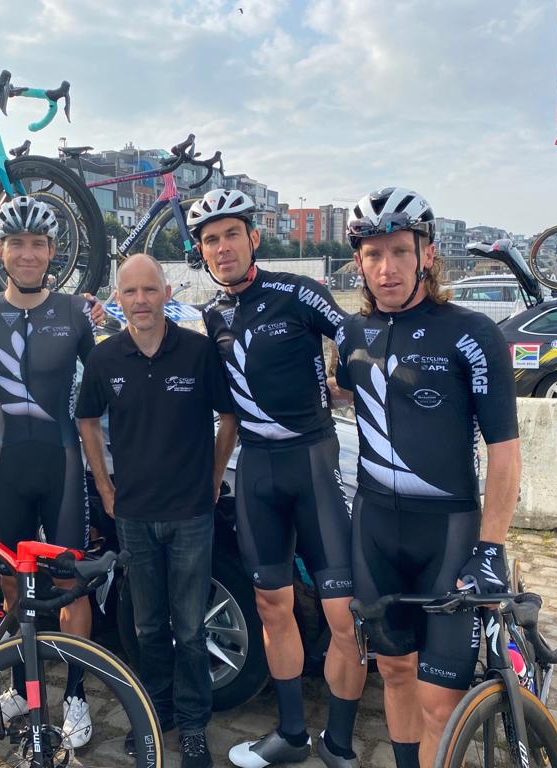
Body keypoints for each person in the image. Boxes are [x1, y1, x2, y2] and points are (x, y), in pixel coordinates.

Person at [333, 187, 522, 768]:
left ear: (427, 255)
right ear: (358, 261)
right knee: (392, 671)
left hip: (448, 534)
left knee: (442, 703)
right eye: (372, 254)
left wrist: (491, 547)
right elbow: (340, 391)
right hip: (374, 529)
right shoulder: (352, 334)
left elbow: (506, 453)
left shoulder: (472, 334)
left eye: (399, 252)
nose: (386, 268)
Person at [191, 189, 366, 768]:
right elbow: (226, 410)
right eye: (210, 239)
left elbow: (355, 334)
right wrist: (215, 476)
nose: (222, 247)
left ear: (253, 238)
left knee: (343, 615)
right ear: (202, 251)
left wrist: (347, 377)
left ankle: (339, 744)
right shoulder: (212, 315)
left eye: (231, 234)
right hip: (258, 473)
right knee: (272, 606)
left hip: (313, 463)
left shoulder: (297, 291)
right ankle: (292, 734)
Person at [0, 195, 104, 749]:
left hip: (60, 463)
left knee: (70, 582)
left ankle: (75, 694)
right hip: (7, 467)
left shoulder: (76, 313)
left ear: (53, 251)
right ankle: (16, 688)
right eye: (16, 244)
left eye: (37, 244)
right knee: (10, 583)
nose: (27, 254)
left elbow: (103, 384)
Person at [76, 253, 236, 768]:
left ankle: (192, 726)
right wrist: (104, 484)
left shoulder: (196, 352)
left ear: (167, 293)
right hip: (134, 514)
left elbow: (229, 416)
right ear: (117, 300)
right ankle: (155, 712)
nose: (141, 301)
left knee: (189, 628)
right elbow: (87, 420)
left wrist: (214, 477)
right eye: (130, 292)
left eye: (149, 290)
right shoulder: (104, 359)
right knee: (146, 628)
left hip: (191, 512)